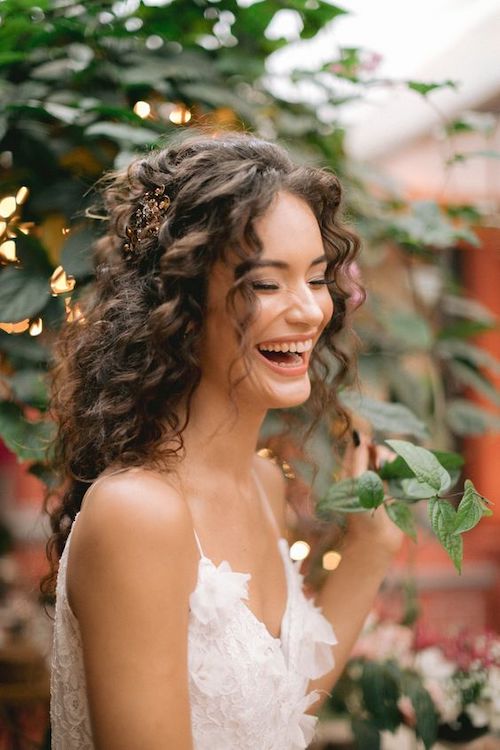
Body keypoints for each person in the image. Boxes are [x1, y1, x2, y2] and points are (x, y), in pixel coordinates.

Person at [43, 132, 403, 750]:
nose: (309, 312)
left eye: (316, 279)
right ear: (179, 301)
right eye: (266, 284)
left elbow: (272, 717)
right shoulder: (140, 514)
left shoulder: (264, 485)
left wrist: (371, 548)